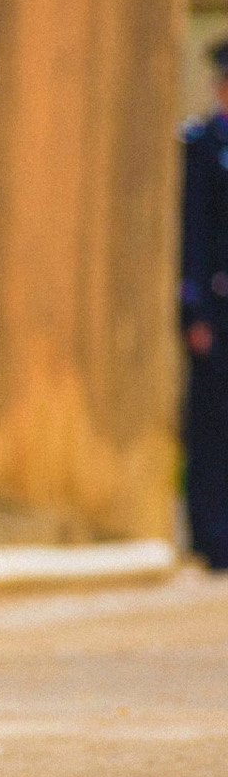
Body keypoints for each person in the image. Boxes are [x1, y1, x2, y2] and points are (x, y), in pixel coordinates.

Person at [179, 38, 228, 571]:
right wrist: (193, 311)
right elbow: (192, 234)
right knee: (211, 424)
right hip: (215, 309)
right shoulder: (202, 146)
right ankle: (211, 535)